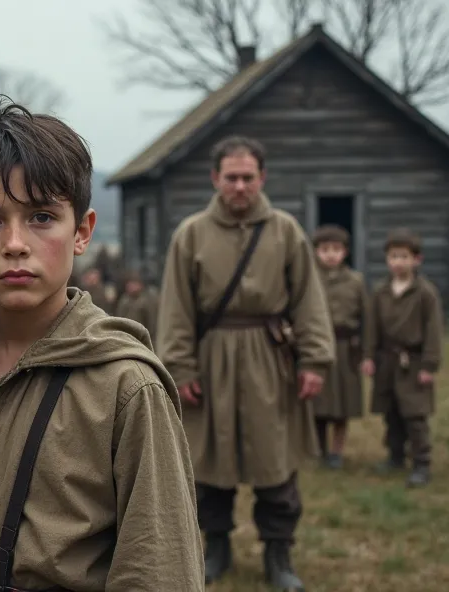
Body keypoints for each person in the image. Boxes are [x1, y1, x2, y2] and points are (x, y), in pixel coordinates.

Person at [0, 96, 203, 591]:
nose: (15, 243)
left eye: (41, 217)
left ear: (82, 232)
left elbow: (160, 568)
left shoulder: (126, 388)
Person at [156, 135, 335, 590]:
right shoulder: (191, 233)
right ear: (215, 178)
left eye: (247, 178)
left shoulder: (285, 231)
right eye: (231, 177)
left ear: (262, 178)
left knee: (275, 460)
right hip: (211, 356)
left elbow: (309, 302)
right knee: (209, 461)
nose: (239, 186)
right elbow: (176, 308)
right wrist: (180, 367)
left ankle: (279, 555)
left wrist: (313, 359)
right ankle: (217, 547)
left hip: (269, 359)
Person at [362, 228, 442, 488]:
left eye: (404, 257)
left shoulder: (425, 293)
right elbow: (371, 326)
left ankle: (421, 462)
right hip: (387, 359)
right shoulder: (380, 291)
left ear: (416, 260)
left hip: (414, 361)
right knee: (391, 410)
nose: (398, 262)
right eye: (393, 256)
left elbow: (433, 330)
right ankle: (395, 456)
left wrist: (429, 364)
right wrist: (369, 355)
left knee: (414, 414)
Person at [312, 225, 370, 470]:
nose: (330, 255)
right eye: (325, 249)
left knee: (342, 407)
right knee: (317, 405)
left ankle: (337, 451)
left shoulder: (355, 281)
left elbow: (367, 320)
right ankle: (318, 449)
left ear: (345, 252)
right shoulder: (309, 280)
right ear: (315, 252)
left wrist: (366, 354)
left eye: (336, 249)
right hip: (317, 349)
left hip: (346, 350)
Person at [115, 269, 159, 344]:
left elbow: (152, 323)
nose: (130, 286)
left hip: (142, 338)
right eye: (129, 284)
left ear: (140, 285)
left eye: (133, 284)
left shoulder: (147, 300)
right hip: (126, 338)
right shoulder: (124, 300)